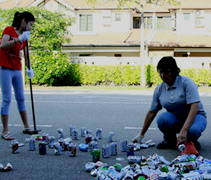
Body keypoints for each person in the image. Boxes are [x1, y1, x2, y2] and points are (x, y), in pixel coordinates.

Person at [132, 56, 207, 151]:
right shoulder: (159, 89)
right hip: (176, 118)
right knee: (162, 119)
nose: (163, 75)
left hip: (195, 116)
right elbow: (152, 112)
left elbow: (195, 107)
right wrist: (141, 135)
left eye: (166, 72)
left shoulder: (187, 83)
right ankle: (170, 141)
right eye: (160, 72)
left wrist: (184, 130)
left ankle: (190, 142)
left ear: (174, 71)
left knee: (193, 130)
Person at [0, 11, 35, 140]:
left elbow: (26, 54)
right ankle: (5, 130)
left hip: (16, 69)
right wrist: (18, 40)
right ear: (23, 21)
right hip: (5, 68)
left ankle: (27, 127)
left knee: (20, 98)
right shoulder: (9, 30)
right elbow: (3, 45)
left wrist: (29, 69)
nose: (31, 28)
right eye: (30, 25)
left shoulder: (24, 36)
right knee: (7, 98)